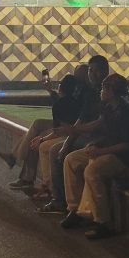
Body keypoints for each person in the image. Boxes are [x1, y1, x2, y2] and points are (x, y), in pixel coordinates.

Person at [61, 73, 129, 239]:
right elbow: (98, 124)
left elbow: (128, 145)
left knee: (92, 172)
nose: (100, 91)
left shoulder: (128, 112)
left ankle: (103, 222)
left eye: (104, 88)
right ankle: (75, 209)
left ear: (112, 91)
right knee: (72, 160)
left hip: (123, 157)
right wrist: (76, 131)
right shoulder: (108, 107)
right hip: (107, 149)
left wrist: (100, 152)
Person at [37, 55, 110, 214]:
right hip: (88, 136)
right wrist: (67, 142)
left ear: (105, 71)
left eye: (96, 71)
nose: (92, 74)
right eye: (90, 71)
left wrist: (71, 134)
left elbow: (100, 123)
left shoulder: (107, 92)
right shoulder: (90, 93)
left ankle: (69, 205)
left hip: (102, 139)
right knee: (56, 150)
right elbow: (80, 120)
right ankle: (59, 199)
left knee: (62, 154)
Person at [5, 70, 84, 190]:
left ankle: (24, 171)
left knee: (36, 137)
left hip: (70, 129)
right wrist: (50, 90)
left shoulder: (85, 92)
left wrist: (42, 139)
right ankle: (18, 164)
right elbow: (65, 103)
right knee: (37, 125)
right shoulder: (75, 92)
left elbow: (59, 127)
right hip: (69, 125)